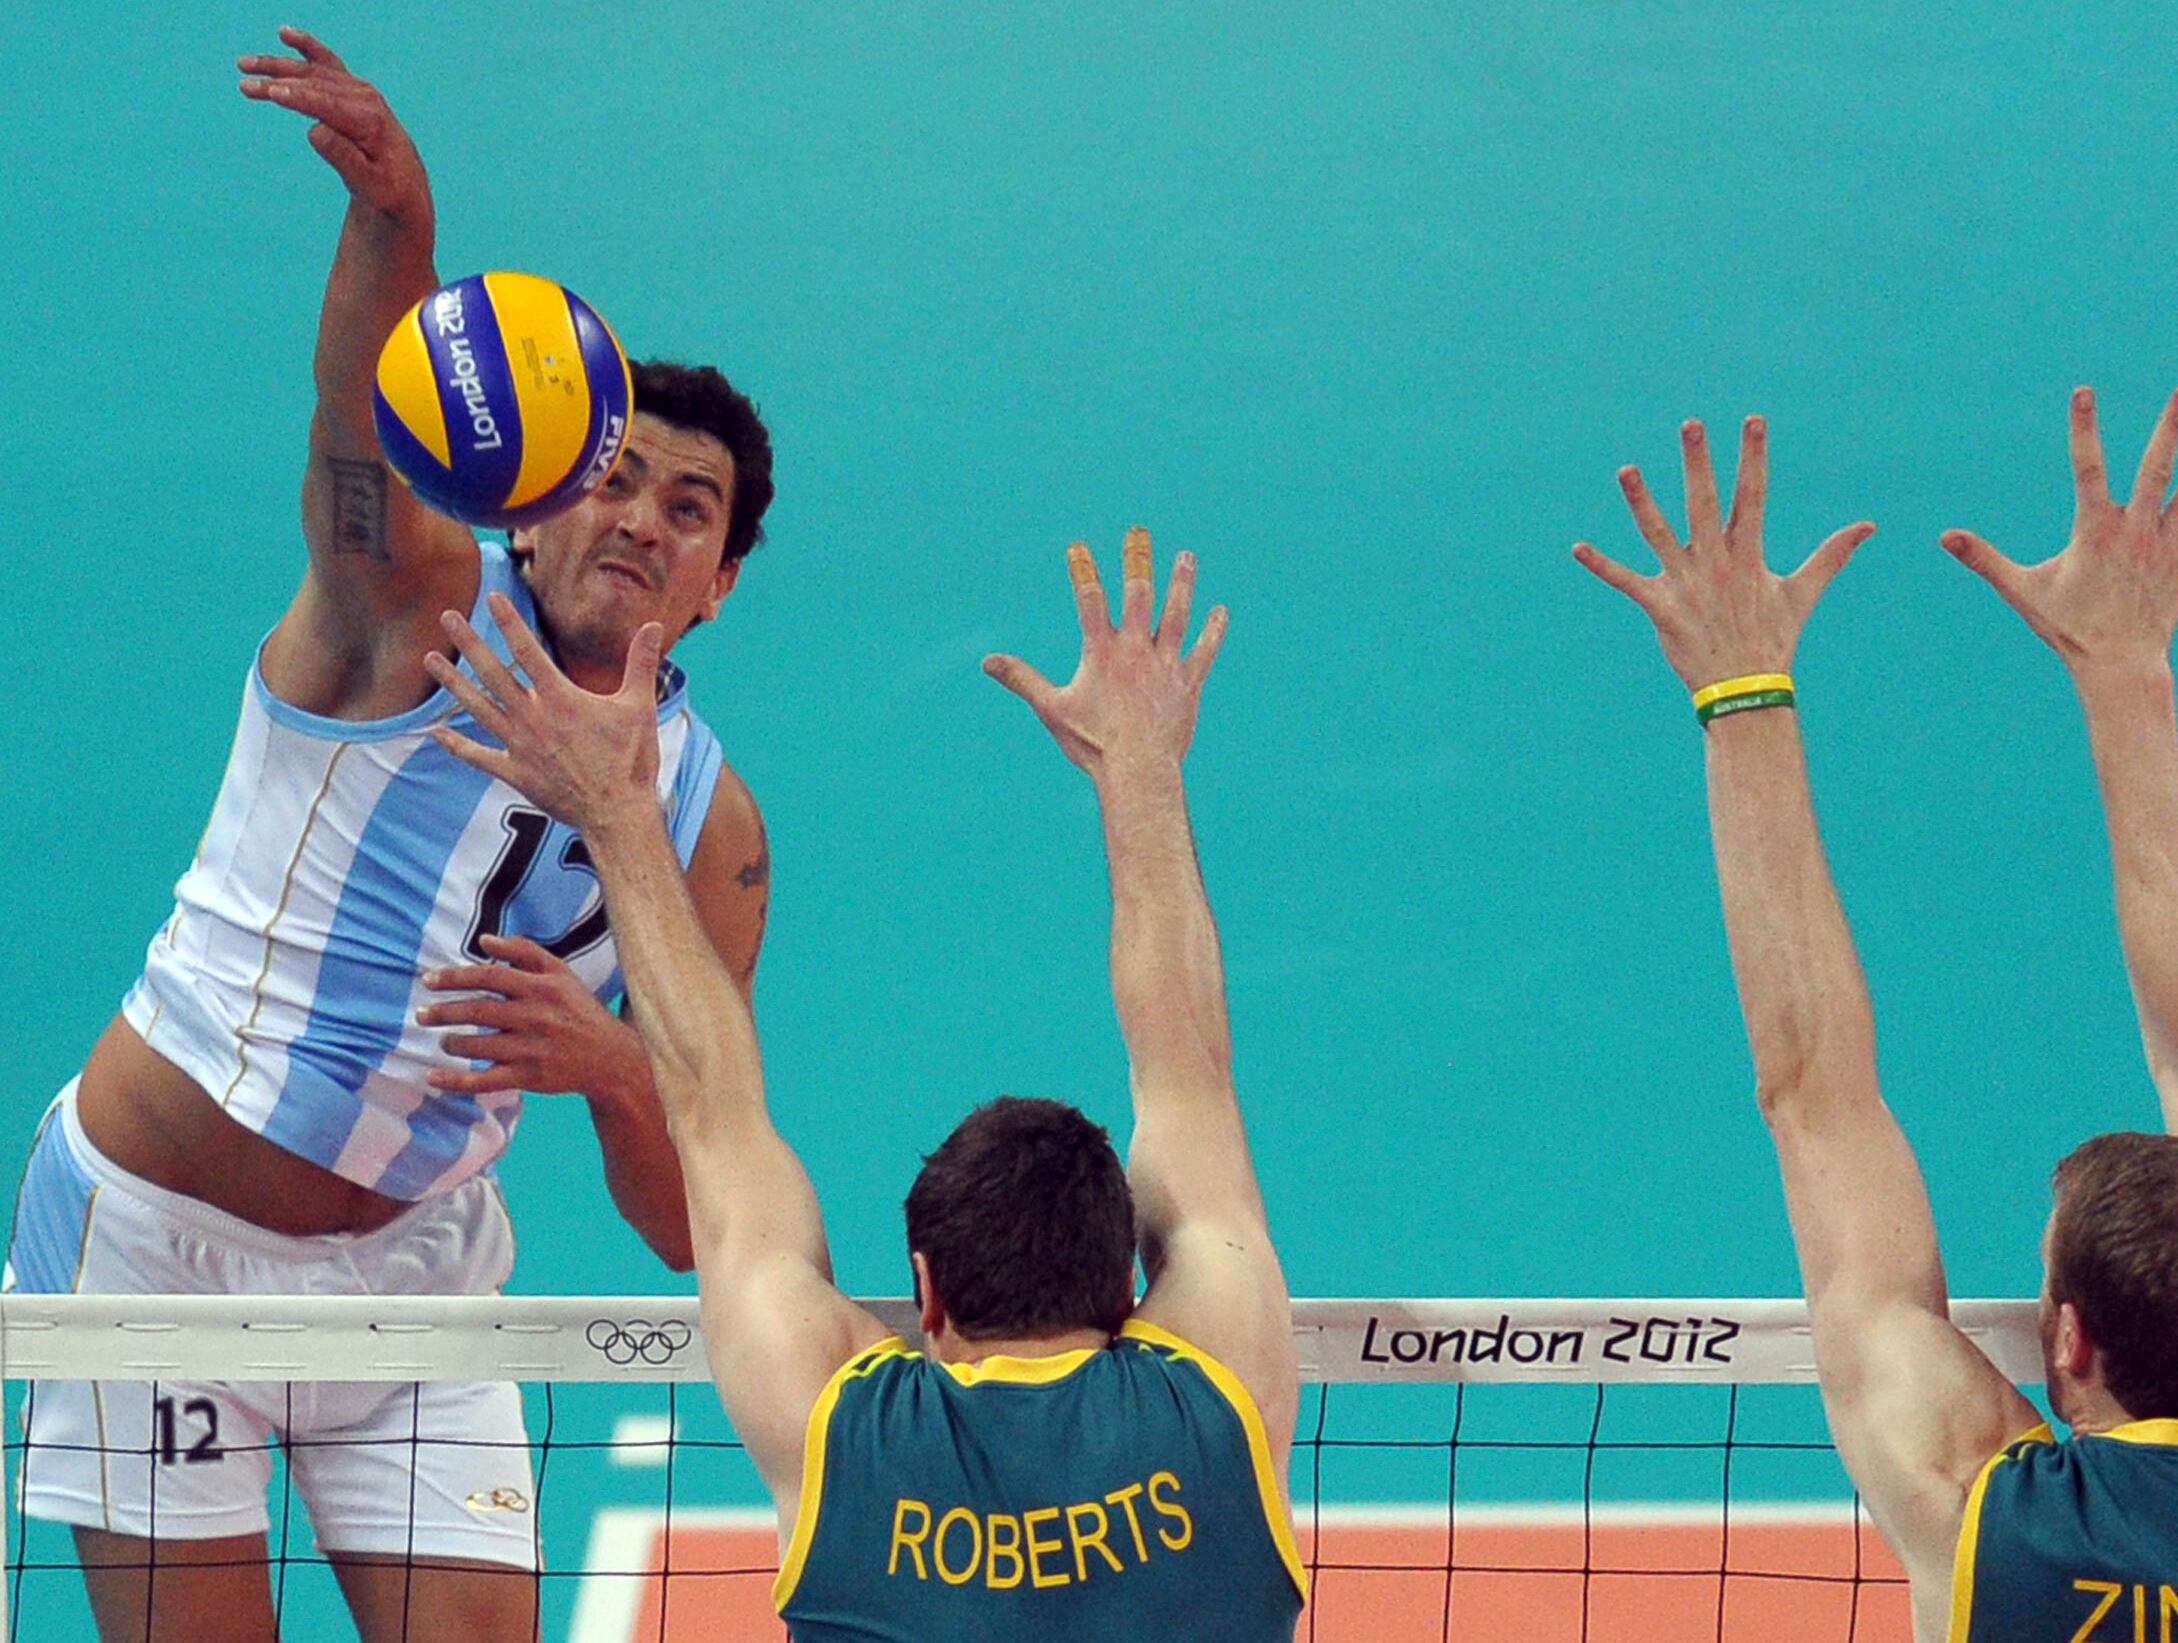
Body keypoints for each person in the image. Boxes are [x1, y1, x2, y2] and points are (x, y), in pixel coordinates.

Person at [4, 28, 775, 1642]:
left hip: (417, 1285)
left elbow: (705, 1212)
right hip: (157, 1251)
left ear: (717, 586)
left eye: (687, 508)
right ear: (530, 495)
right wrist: (394, 233)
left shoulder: (708, 830)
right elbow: (354, 427)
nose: (636, 516)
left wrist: (613, 1064)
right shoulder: (401, 611)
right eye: (611, 477)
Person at [1574, 401, 2178, 1641]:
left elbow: (1815, 1093)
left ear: (2066, 1335)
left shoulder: (1983, 1508)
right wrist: (2126, 673)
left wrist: (1742, 690)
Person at [424, 528, 1307, 1641]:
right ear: (1130, 1287)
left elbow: (713, 1115)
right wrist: (1140, 766)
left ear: (926, 1294)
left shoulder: (841, 1428)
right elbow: (1188, 1068)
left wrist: (616, 815)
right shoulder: (1218, 1393)